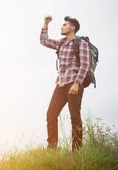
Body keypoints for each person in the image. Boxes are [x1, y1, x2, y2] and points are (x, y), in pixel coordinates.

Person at [40, 15, 90, 152]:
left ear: (72, 28)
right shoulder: (61, 43)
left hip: (74, 83)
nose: (62, 26)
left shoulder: (81, 44)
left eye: (65, 24)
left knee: (75, 116)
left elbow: (85, 65)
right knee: (51, 114)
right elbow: (44, 41)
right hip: (61, 84)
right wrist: (45, 24)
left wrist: (77, 83)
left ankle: (77, 150)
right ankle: (52, 149)